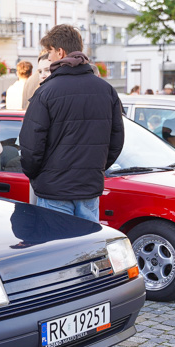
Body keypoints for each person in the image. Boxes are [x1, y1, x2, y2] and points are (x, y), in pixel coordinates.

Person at [20, 24, 123, 223]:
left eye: (49, 52)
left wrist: (37, 176)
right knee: (87, 250)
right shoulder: (106, 90)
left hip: (54, 191)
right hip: (88, 189)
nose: (48, 58)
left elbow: (31, 145)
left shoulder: (46, 92)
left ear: (60, 52)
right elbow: (116, 141)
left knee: (58, 250)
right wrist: (94, 168)